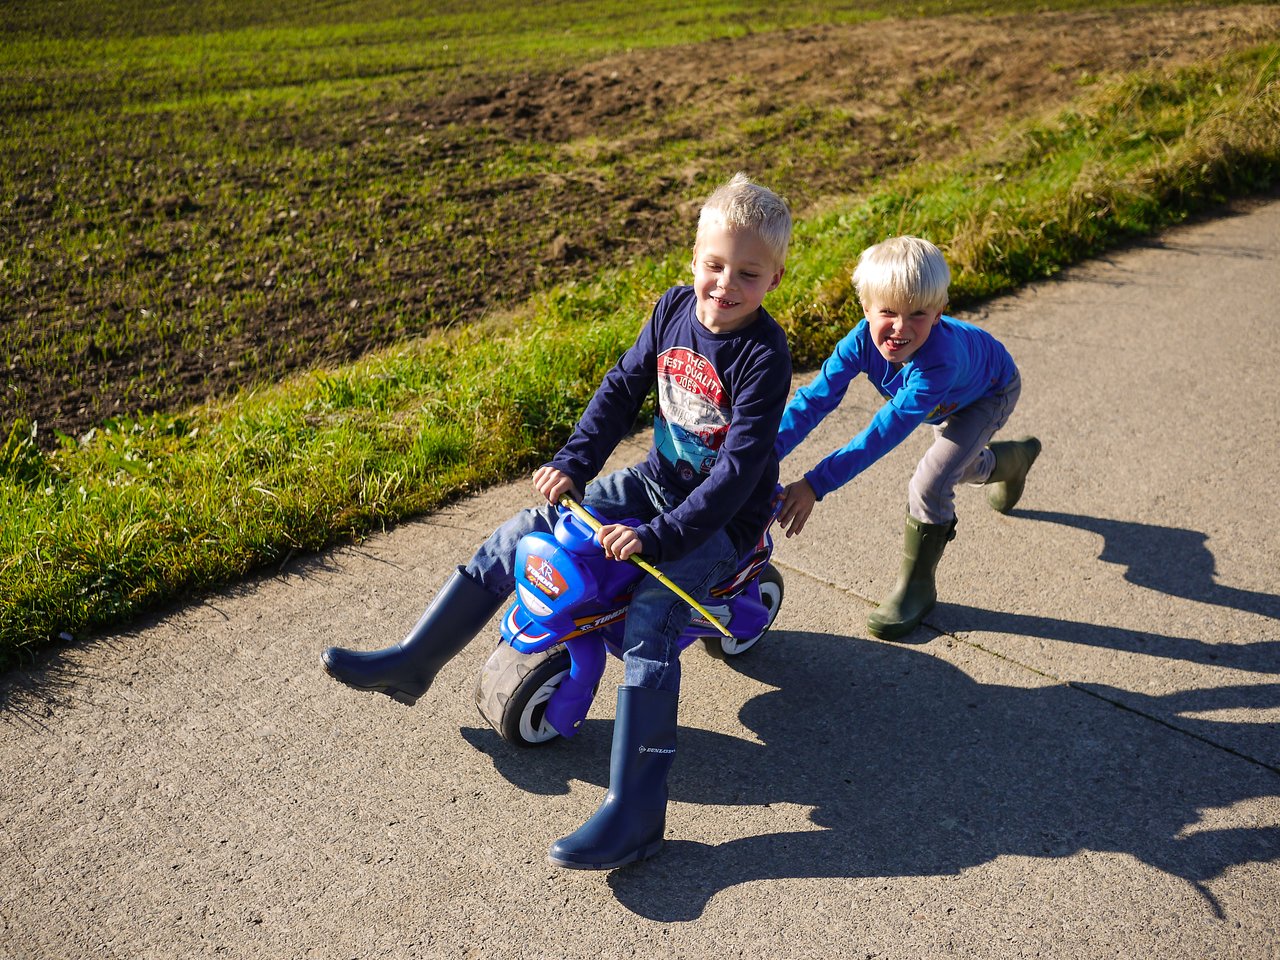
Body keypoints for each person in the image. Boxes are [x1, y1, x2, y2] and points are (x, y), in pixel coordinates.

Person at [322, 172, 793, 870]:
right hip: (657, 482)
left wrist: (657, 540)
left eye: (747, 274)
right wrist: (574, 462)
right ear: (693, 259)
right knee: (528, 530)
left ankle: (636, 814)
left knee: (653, 615)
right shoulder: (671, 311)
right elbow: (622, 387)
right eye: (714, 266)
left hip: (723, 520)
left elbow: (736, 474)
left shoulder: (763, 355)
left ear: (774, 278)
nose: (725, 286)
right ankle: (414, 661)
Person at [773, 235, 1040, 641]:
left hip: (989, 393)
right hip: (951, 400)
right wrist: (764, 453)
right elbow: (814, 400)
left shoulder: (938, 362)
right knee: (960, 465)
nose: (899, 327)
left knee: (931, 482)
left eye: (918, 313)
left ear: (938, 314)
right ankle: (1012, 462)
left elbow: (884, 431)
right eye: (887, 312)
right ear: (865, 308)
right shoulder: (859, 342)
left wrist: (814, 484)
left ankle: (917, 588)